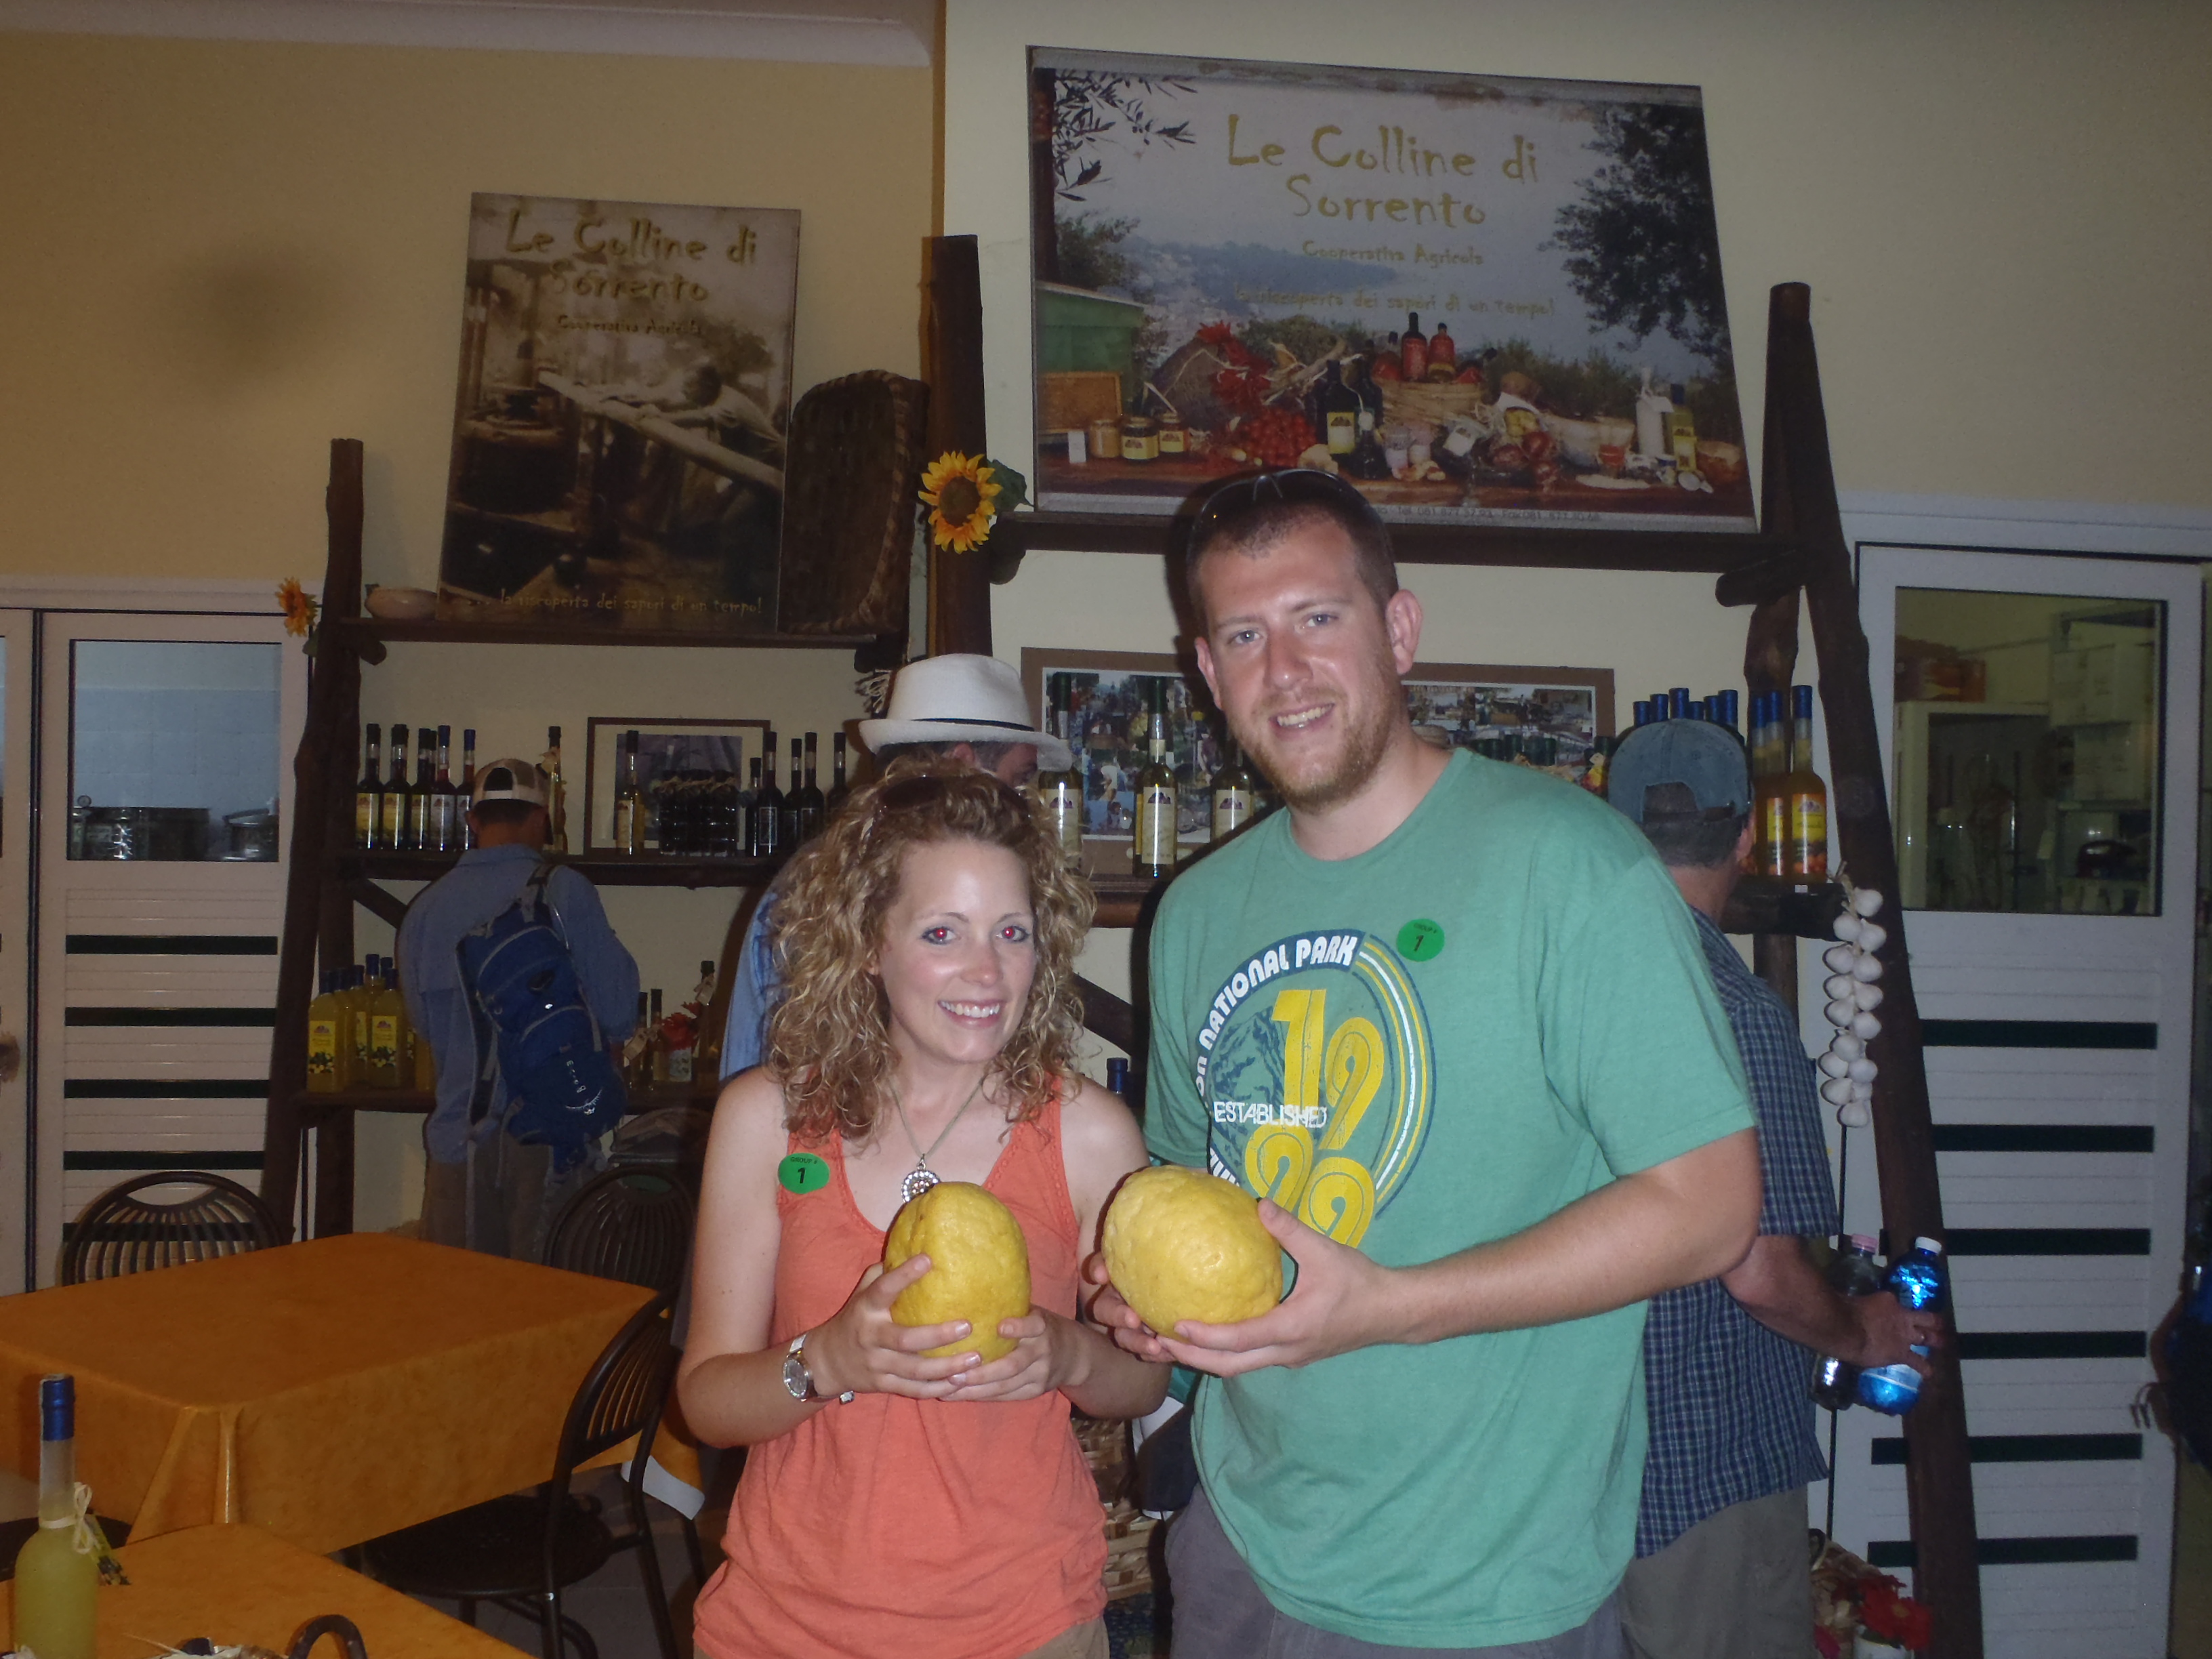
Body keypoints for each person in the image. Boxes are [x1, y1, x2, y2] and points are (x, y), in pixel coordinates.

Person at [1089, 468, 1763, 1656]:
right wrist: (1144, 1307)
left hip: (1488, 1590)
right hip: (1241, 1552)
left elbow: (1706, 1209)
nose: (1281, 670)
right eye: (1242, 634)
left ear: (1397, 629)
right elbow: (1190, 1193)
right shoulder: (1191, 915)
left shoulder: (1570, 866)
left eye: (1317, 617)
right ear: (1204, 670)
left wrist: (1391, 1307)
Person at [679, 764, 1167, 1659]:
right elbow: (707, 1400)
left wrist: (1067, 1354)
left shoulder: (1089, 1134)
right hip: (783, 1627)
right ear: (871, 942)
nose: (986, 971)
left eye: (1011, 933)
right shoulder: (767, 1119)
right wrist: (823, 1359)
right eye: (944, 932)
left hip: (1022, 1625)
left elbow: (1143, 1383)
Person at [1603, 718, 1940, 1659]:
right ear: (1748, 836)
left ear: (1613, 826)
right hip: (1707, 1461)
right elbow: (1758, 1269)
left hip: (1586, 1456)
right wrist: (1863, 1328)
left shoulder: (1570, 982)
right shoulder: (1738, 1013)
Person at [717, 652, 1070, 1079]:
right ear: (961, 767)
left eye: (1012, 933)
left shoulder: (825, 878)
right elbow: (782, 1106)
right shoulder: (813, 897)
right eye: (1017, 782)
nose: (1023, 807)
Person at [398, 757, 638, 1259]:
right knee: (549, 1315)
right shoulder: (563, 890)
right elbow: (619, 1011)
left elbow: (423, 1028)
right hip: (550, 1145)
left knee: (466, 1320)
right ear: (541, 820)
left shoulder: (425, 909)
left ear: (473, 821)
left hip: (457, 1150)